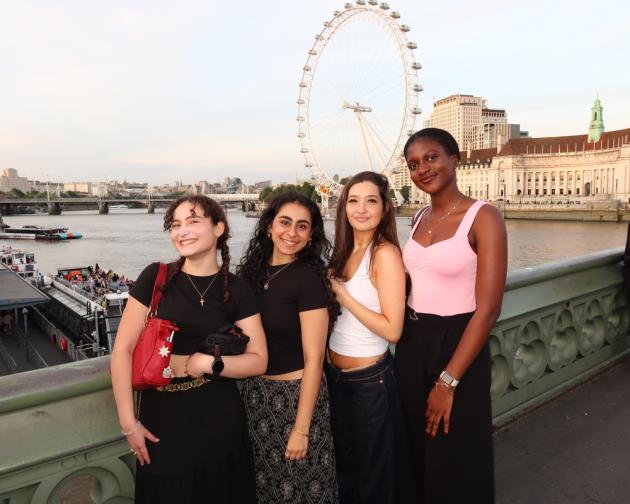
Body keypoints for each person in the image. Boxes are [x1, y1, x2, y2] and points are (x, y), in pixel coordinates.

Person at [110, 195, 267, 504]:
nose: (182, 232)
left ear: (218, 227)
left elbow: (259, 359)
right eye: (175, 225)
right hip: (161, 418)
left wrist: (210, 363)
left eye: (193, 222)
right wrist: (129, 424)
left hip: (219, 417)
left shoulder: (235, 289)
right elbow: (122, 351)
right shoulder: (156, 278)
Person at [395, 128, 507, 504]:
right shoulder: (418, 217)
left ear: (454, 159)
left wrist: (447, 383)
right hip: (412, 343)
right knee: (415, 449)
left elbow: (489, 308)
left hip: (458, 344)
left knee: (455, 453)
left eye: (431, 157)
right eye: (413, 164)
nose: (423, 168)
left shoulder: (483, 217)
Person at [237, 191, 339, 504]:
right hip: (252, 397)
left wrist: (302, 429)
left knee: (303, 488)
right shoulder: (248, 275)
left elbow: (314, 360)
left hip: (294, 397)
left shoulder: (308, 280)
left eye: (302, 226)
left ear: (311, 237)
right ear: (268, 226)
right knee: (263, 489)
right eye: (285, 222)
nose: (291, 233)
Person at [326, 171, 406, 504]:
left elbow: (393, 329)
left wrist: (344, 298)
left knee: (373, 479)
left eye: (370, 201)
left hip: (369, 384)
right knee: (346, 471)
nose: (361, 209)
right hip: (336, 379)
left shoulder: (383, 254)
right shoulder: (342, 252)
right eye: (353, 200)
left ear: (385, 208)